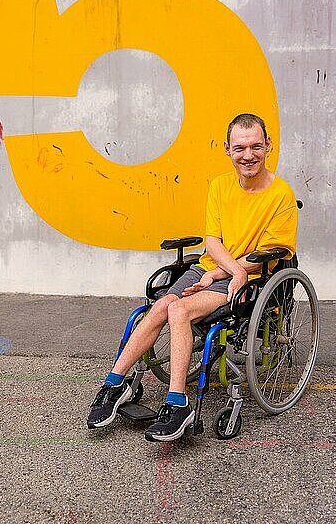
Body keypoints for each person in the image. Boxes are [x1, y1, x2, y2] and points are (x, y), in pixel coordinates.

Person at [87, 113, 297, 442]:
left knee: (178, 311)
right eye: (240, 147)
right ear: (227, 150)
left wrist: (229, 271)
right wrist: (218, 269)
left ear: (268, 146)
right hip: (215, 268)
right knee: (160, 306)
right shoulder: (220, 185)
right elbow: (211, 240)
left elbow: (270, 254)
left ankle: (178, 404)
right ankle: (114, 384)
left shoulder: (281, 196)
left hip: (251, 276)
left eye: (256, 146)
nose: (248, 155)